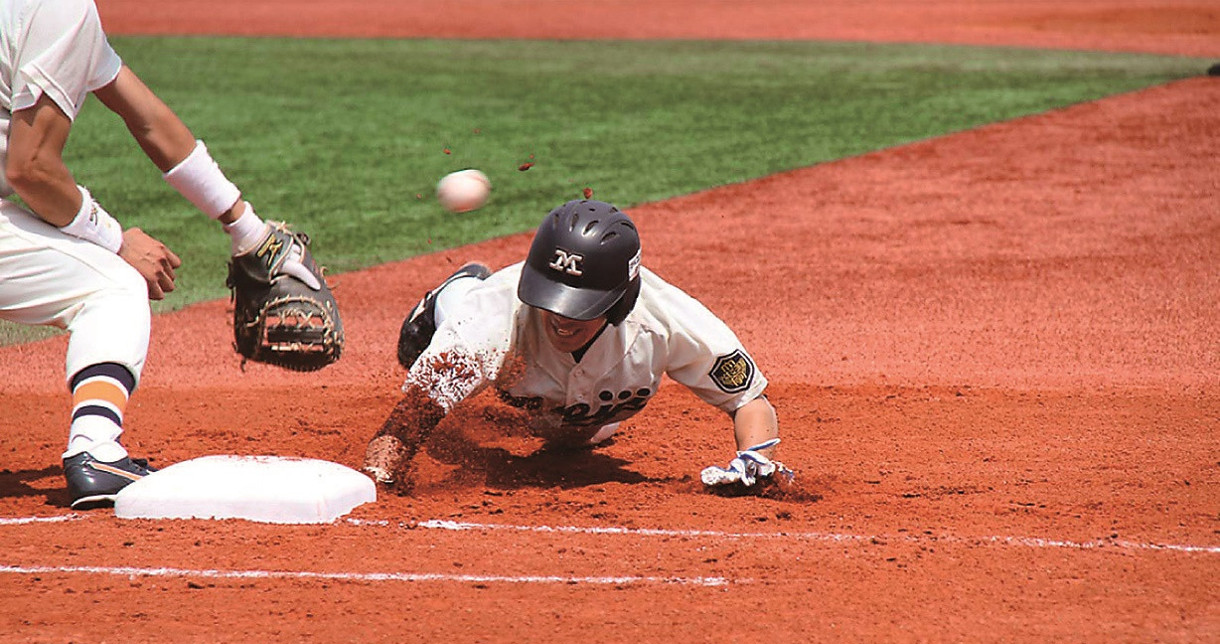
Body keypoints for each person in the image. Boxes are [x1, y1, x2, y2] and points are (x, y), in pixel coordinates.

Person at [0, 0, 320, 508]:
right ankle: (95, 448)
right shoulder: (58, 7)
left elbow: (147, 119)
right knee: (113, 285)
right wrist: (116, 241)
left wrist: (249, 229)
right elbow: (30, 169)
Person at [363, 198, 789, 493]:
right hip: (499, 345)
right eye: (552, 299)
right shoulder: (496, 316)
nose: (562, 318)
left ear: (621, 300)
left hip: (585, 410)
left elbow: (749, 399)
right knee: (466, 315)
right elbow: (410, 417)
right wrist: (379, 475)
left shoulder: (667, 318)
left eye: (582, 307)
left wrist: (756, 462)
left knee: (576, 439)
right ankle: (453, 291)